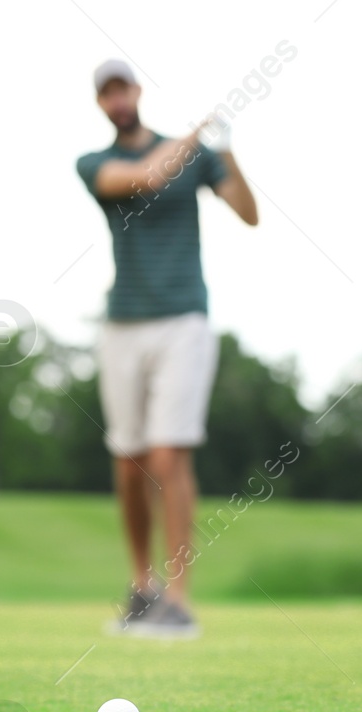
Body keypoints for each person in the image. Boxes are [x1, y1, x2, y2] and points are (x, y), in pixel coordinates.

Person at [75, 58, 258, 638]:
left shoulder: (197, 158)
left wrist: (223, 151)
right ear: (102, 104)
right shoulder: (96, 165)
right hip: (123, 324)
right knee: (129, 463)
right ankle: (143, 587)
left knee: (167, 455)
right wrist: (198, 134)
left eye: (122, 88)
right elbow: (148, 177)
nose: (117, 100)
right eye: (107, 94)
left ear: (137, 91)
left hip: (184, 319)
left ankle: (178, 600)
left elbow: (249, 215)